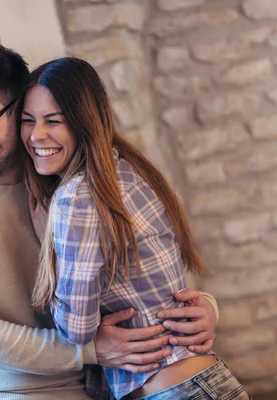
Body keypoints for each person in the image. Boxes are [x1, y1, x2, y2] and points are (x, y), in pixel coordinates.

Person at [0, 42, 219, 400]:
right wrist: (89, 351)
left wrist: (204, 307)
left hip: (109, 388)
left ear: (20, 109)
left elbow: (145, 269)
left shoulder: (68, 180)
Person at [20, 57, 248, 399]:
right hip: (202, 379)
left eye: (53, 121)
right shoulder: (128, 169)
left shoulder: (74, 198)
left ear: (83, 123)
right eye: (27, 121)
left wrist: (47, 238)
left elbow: (76, 330)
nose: (37, 135)